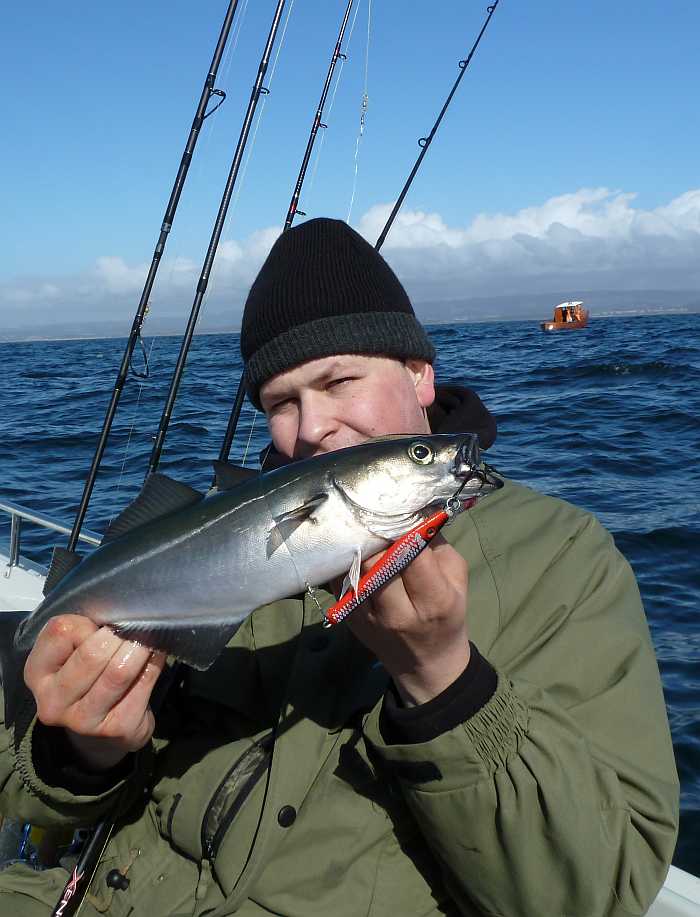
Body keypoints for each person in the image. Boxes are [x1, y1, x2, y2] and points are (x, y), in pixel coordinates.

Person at [0, 218, 679, 916]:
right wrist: (79, 752)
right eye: (280, 403)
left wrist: (443, 678)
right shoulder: (209, 534)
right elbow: (27, 791)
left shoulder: (566, 555)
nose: (313, 426)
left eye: (338, 380)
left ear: (420, 373)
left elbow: (598, 891)